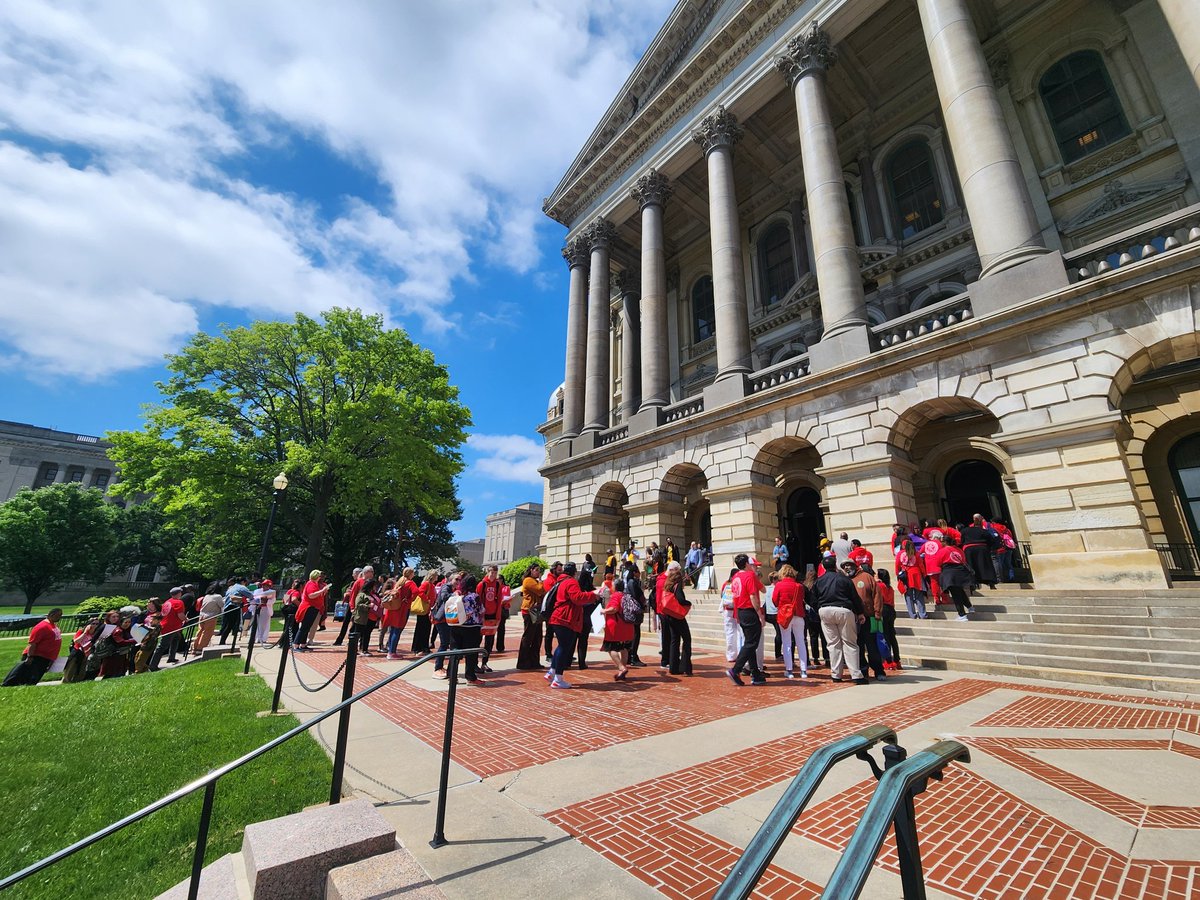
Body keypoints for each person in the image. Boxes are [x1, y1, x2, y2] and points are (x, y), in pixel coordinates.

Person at [545, 561, 604, 689]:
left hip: (559, 617)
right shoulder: (571, 582)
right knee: (564, 648)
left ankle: (552, 672)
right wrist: (593, 595)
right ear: (574, 572)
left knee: (561, 646)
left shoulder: (560, 581)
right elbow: (577, 598)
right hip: (565, 618)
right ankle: (557, 679)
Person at [810, 554, 867, 685]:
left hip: (825, 610)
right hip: (843, 610)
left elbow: (812, 599)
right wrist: (860, 612)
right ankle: (856, 675)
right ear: (835, 565)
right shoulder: (844, 579)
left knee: (833, 644)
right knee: (850, 643)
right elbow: (854, 596)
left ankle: (836, 674)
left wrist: (819, 609)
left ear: (823, 567)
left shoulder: (819, 581)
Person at [726, 554, 766, 686]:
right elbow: (753, 596)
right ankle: (736, 670)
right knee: (751, 643)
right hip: (749, 611)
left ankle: (755, 673)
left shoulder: (735, 577)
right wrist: (760, 614)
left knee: (750, 643)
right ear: (747, 564)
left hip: (741, 612)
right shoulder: (749, 576)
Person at [844, 560, 885, 682]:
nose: (847, 568)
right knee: (858, 646)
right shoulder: (845, 580)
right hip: (853, 618)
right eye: (844, 567)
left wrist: (877, 612)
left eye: (849, 566)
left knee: (872, 645)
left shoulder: (866, 577)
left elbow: (877, 595)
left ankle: (878, 670)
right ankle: (863, 670)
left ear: (855, 566)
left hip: (868, 617)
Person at [3, 608, 64, 686]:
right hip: (36, 657)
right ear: (52, 615)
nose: (60, 617)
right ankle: (9, 685)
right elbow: (33, 643)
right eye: (59, 615)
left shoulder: (53, 626)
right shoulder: (42, 626)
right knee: (27, 678)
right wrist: (30, 656)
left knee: (34, 679)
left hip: (46, 658)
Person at [447, 574, 484, 685]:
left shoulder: (457, 595)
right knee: (471, 653)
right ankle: (471, 677)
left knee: (455, 652)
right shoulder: (474, 596)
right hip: (471, 627)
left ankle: (452, 676)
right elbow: (481, 610)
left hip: (456, 625)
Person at [772, 566, 807, 679]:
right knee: (801, 642)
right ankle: (803, 670)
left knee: (787, 642)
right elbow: (802, 599)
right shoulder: (799, 586)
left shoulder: (779, 585)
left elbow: (774, 600)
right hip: (798, 614)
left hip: (785, 615)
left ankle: (789, 669)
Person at [660, 562, 693, 675]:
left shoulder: (668, 585)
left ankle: (673, 667)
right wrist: (688, 602)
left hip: (669, 615)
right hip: (677, 616)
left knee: (675, 640)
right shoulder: (677, 585)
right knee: (687, 639)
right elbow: (680, 599)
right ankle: (686, 667)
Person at [602, 574, 634, 681]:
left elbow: (614, 608)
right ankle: (622, 670)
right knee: (624, 648)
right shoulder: (626, 595)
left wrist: (604, 611)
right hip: (626, 626)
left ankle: (621, 667)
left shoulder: (616, 596)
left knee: (611, 648)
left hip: (616, 626)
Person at [934, 541, 976, 620]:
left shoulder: (942, 551)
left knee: (956, 594)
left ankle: (962, 614)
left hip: (949, 573)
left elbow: (937, 562)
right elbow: (963, 559)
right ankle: (970, 607)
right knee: (960, 591)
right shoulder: (958, 550)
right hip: (960, 572)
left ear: (945, 542)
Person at [516, 563, 546, 670]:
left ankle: (534, 661)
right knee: (528, 636)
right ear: (531, 570)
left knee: (537, 637)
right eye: (536, 570)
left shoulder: (535, 581)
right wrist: (541, 581)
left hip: (536, 611)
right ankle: (523, 662)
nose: (538, 572)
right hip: (529, 611)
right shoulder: (528, 580)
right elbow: (540, 590)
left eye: (539, 570)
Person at [430, 573, 460, 679]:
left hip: (447, 619)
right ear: (450, 580)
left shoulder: (451, 588)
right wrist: (454, 595)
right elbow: (444, 597)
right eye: (456, 579)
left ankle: (440, 667)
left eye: (459, 580)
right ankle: (437, 667)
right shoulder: (446, 587)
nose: (458, 581)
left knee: (446, 643)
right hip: (441, 619)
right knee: (444, 643)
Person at [150, 588, 187, 670]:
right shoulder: (179, 602)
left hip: (166, 625)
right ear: (179, 593)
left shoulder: (167, 602)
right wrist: (186, 619)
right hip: (172, 627)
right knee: (162, 646)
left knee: (176, 638)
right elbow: (180, 615)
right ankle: (153, 666)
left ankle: (171, 657)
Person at [293, 570, 330, 651]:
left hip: (314, 608)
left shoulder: (315, 584)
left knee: (307, 627)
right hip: (309, 608)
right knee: (304, 627)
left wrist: (323, 591)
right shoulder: (310, 584)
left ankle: (303, 644)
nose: (320, 578)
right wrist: (322, 590)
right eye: (319, 576)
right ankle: (296, 644)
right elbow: (311, 596)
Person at [619, 561, 647, 666]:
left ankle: (631, 655)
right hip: (635, 611)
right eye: (638, 572)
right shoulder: (633, 582)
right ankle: (633, 656)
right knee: (636, 634)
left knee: (633, 633)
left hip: (631, 611)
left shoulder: (629, 582)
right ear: (635, 572)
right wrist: (643, 604)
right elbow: (637, 596)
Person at [478, 565, 505, 672]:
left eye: (495, 572)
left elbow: (499, 601)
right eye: (492, 572)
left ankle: (485, 663)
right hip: (483, 615)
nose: (493, 575)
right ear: (487, 572)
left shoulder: (498, 585)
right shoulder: (482, 584)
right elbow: (478, 600)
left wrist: (498, 616)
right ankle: (475, 662)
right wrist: (480, 616)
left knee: (489, 641)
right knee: (478, 639)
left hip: (493, 615)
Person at [961, 514, 999, 590]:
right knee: (986, 566)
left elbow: (962, 541)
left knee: (971, 566)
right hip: (982, 549)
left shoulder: (964, 531)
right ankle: (991, 583)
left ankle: (972, 584)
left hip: (969, 550)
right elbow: (991, 541)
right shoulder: (984, 531)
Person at [896, 539, 928, 620]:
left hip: (905, 576)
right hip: (916, 575)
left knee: (908, 596)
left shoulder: (900, 554)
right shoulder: (916, 553)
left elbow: (897, 565)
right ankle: (922, 614)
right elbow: (921, 565)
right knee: (919, 596)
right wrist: (924, 575)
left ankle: (912, 615)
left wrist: (898, 575)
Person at [877, 568, 901, 670]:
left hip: (884, 610)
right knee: (892, 636)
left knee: (885, 636)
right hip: (891, 610)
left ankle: (888, 661)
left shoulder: (880, 586)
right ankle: (897, 660)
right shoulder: (889, 587)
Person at [133, 600, 163, 674]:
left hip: (149, 644)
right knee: (137, 656)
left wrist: (143, 626)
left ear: (158, 620)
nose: (151, 620)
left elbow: (151, 631)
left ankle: (138, 671)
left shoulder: (158, 626)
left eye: (153, 619)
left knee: (141, 658)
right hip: (143, 641)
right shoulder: (148, 619)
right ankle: (145, 668)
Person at [410, 571, 436, 654]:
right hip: (424, 609)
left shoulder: (432, 585)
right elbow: (420, 592)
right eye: (436, 575)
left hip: (428, 609)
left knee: (426, 628)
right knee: (421, 628)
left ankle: (424, 646)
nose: (437, 577)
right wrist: (427, 599)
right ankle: (417, 647)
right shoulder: (426, 584)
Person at [718, 568, 739, 664]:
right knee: (738, 633)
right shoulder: (737, 583)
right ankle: (738, 654)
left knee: (730, 633)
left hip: (728, 611)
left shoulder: (725, 584)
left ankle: (731, 655)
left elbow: (721, 596)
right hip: (736, 610)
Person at [253, 579, 276, 644]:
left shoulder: (272, 592)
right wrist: (260, 599)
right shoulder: (257, 591)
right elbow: (254, 598)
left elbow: (273, 600)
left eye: (267, 585)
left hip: (266, 608)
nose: (265, 586)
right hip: (257, 608)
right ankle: (255, 637)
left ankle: (262, 638)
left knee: (264, 624)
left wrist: (266, 600)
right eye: (264, 585)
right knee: (256, 623)